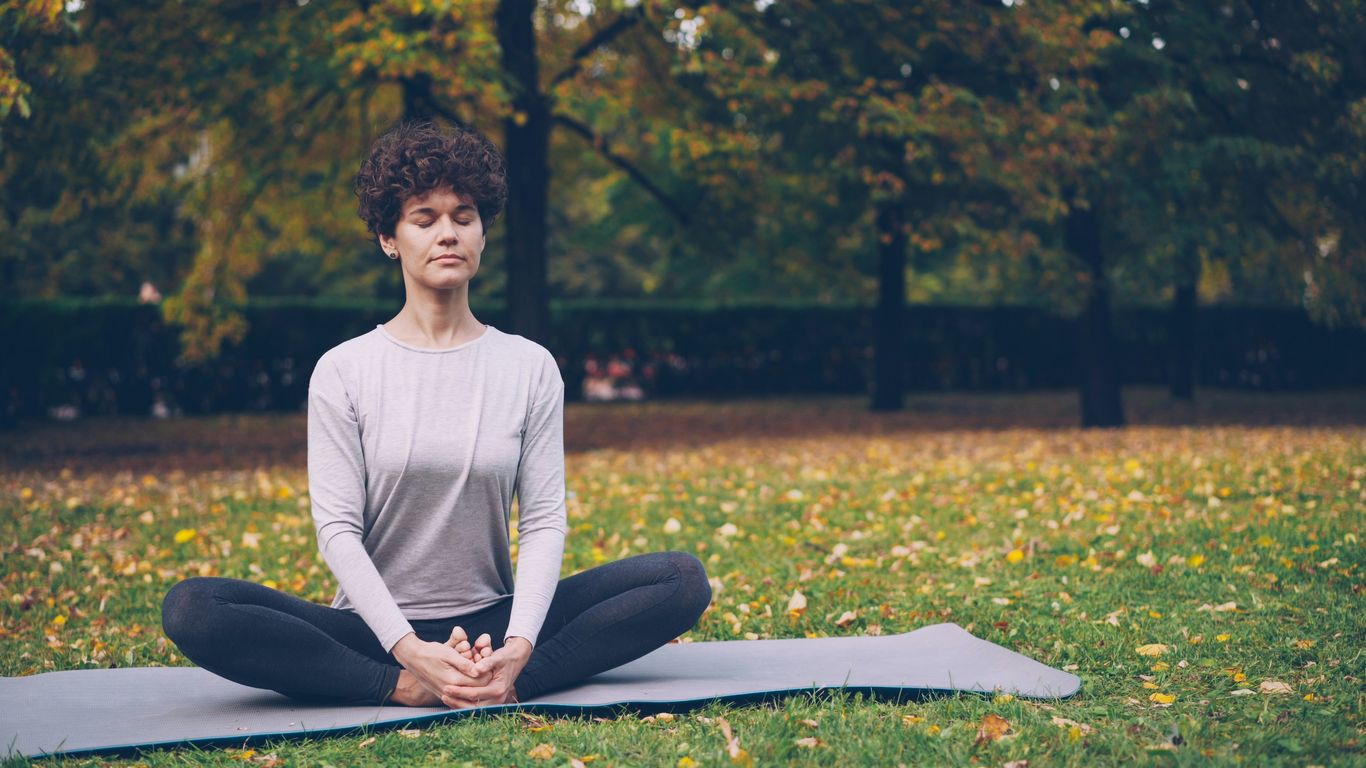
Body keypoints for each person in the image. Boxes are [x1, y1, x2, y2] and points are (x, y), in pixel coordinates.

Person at [161, 119, 711, 708]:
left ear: (482, 234)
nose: (447, 233)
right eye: (424, 219)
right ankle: (404, 690)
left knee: (681, 579)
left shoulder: (530, 366)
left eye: (463, 217)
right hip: (375, 635)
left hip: (493, 628)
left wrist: (521, 643)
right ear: (389, 238)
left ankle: (508, 684)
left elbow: (546, 521)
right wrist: (407, 651)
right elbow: (337, 531)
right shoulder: (344, 371)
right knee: (193, 606)